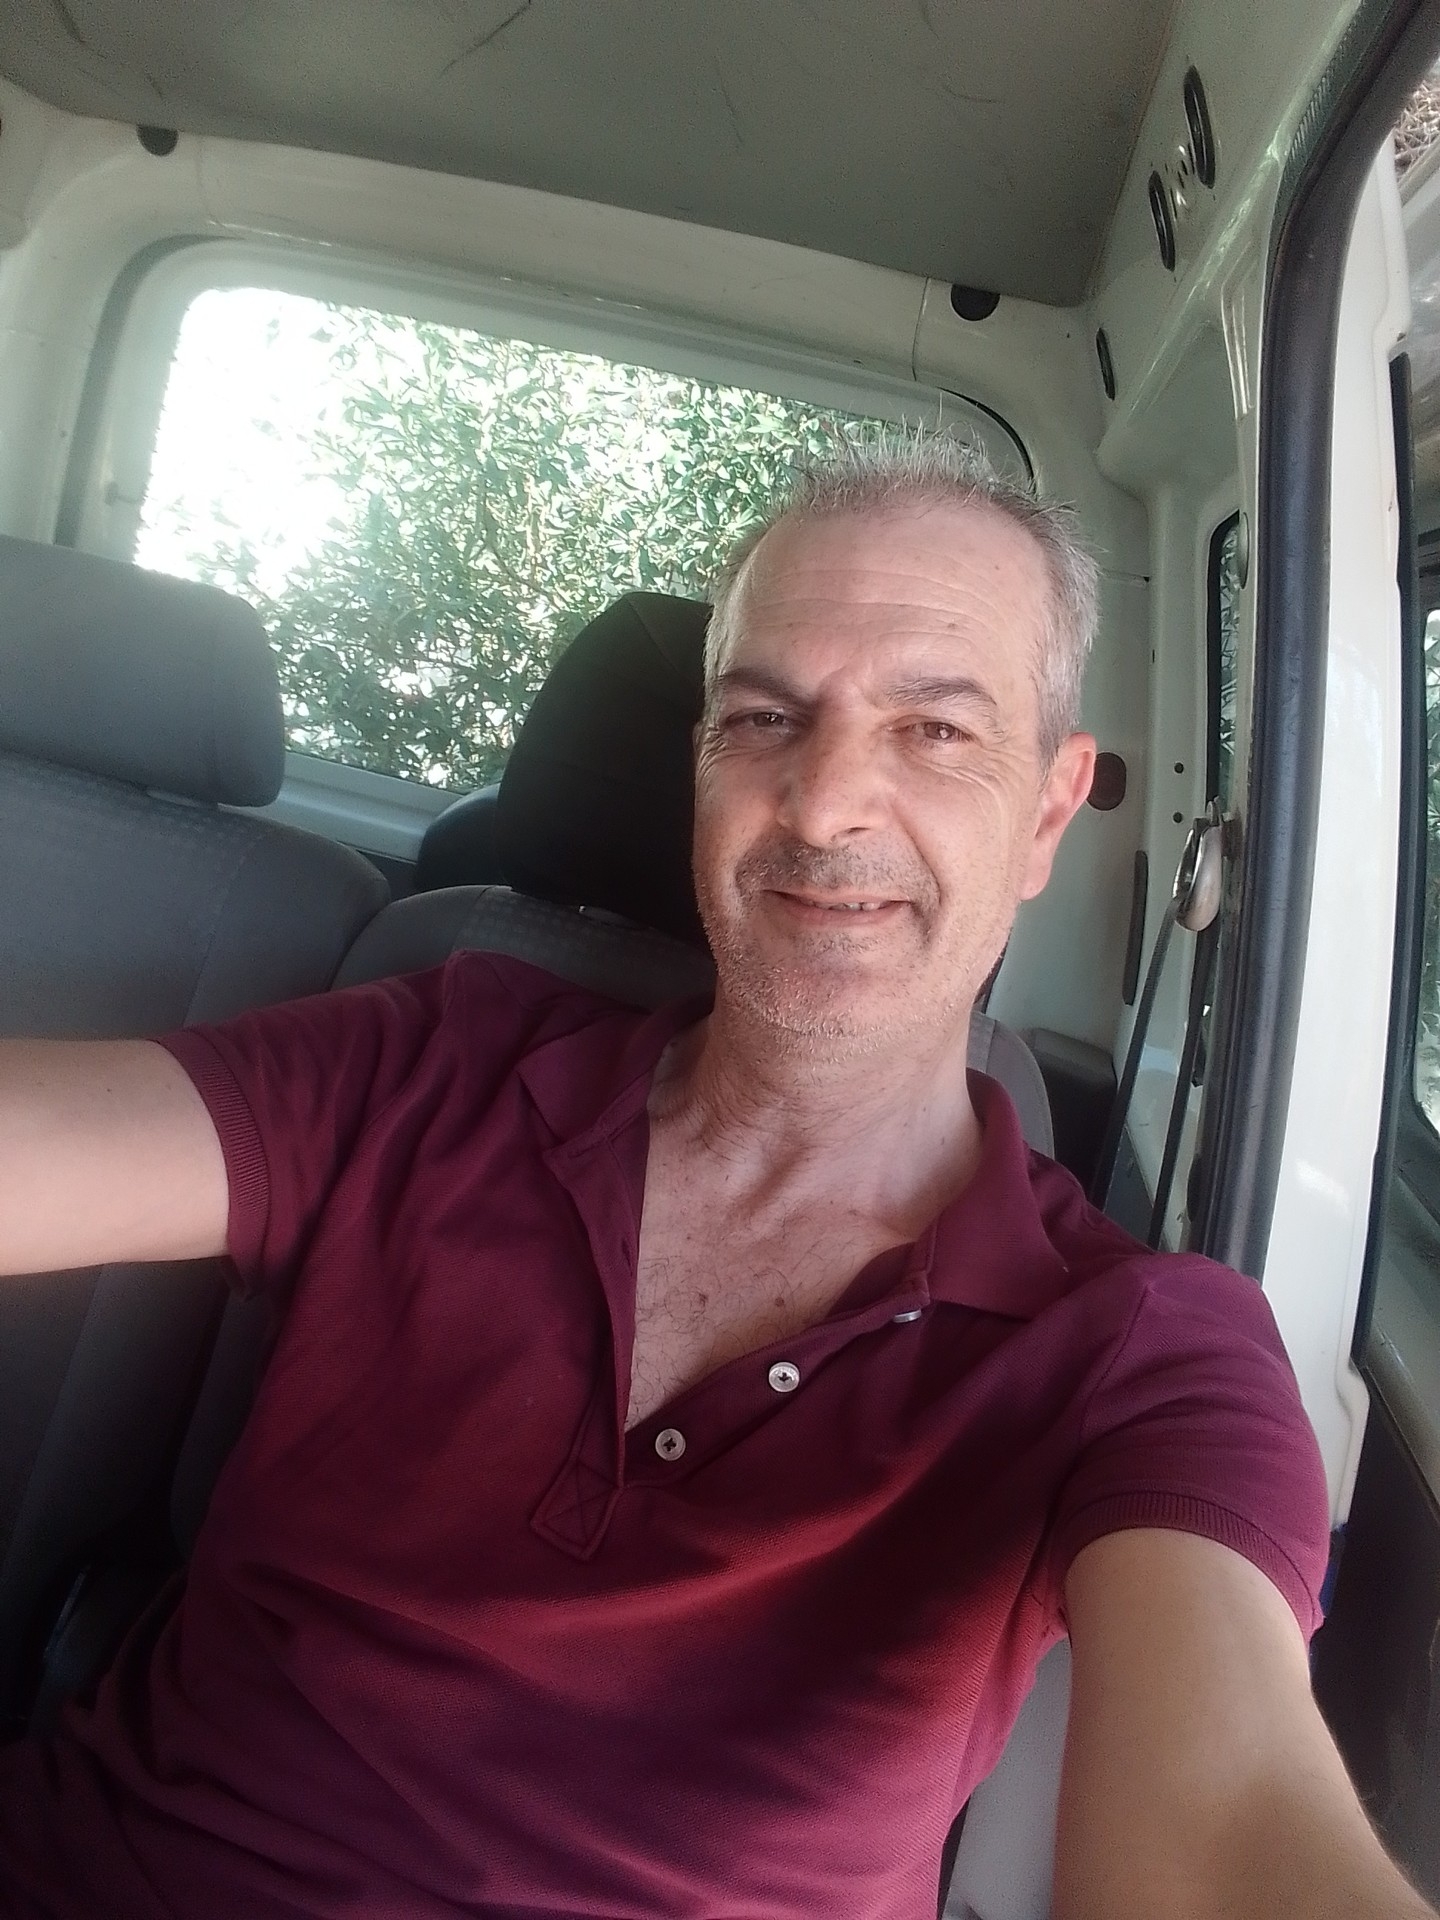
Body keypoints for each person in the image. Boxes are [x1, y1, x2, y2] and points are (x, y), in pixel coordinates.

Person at [0, 433, 1430, 1920]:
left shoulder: (1143, 1349)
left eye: (936, 730)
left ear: (1049, 813)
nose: (823, 805)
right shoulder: (435, 1057)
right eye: (763, 719)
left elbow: (1230, 1818)